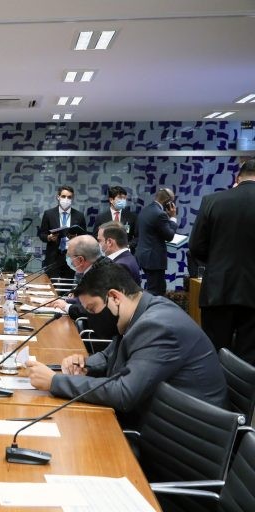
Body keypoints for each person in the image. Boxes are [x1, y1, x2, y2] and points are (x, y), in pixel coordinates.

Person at [26, 263, 227, 428]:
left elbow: (124, 393)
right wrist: (84, 364)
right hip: (158, 420)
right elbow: (109, 356)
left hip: (184, 439)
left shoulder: (158, 326)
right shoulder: (141, 312)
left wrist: (55, 382)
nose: (91, 316)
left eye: (93, 308)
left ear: (114, 297)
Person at [189, 159, 255, 364]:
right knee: (250, 357)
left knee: (215, 352)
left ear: (237, 177)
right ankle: (245, 396)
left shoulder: (212, 201)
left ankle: (214, 394)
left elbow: (196, 246)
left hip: (218, 289)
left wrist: (217, 260)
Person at [49, 235, 118, 340]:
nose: (68, 259)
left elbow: (93, 310)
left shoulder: (100, 275)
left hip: (95, 336)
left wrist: (66, 307)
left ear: (80, 259)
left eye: (69, 256)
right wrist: (63, 301)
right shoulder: (100, 266)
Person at [135, 188, 178, 295]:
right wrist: (173, 218)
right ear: (168, 201)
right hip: (154, 259)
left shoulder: (145, 210)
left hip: (143, 256)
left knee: (153, 288)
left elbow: (140, 232)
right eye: (172, 201)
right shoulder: (160, 214)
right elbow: (169, 236)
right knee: (157, 291)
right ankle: (152, 311)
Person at [38, 185, 86, 280]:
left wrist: (76, 238)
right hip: (53, 256)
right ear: (58, 197)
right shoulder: (49, 214)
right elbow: (42, 234)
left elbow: (84, 237)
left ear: (72, 198)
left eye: (69, 197)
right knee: (52, 285)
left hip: (71, 257)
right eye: (63, 196)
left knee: (67, 286)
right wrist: (49, 237)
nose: (66, 199)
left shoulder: (79, 216)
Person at [92, 186, 138, 251]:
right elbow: (96, 236)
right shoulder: (101, 217)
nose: (123, 200)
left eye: (124, 198)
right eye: (120, 198)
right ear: (111, 200)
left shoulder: (131, 217)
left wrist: (128, 246)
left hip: (126, 251)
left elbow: (137, 237)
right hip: (107, 252)